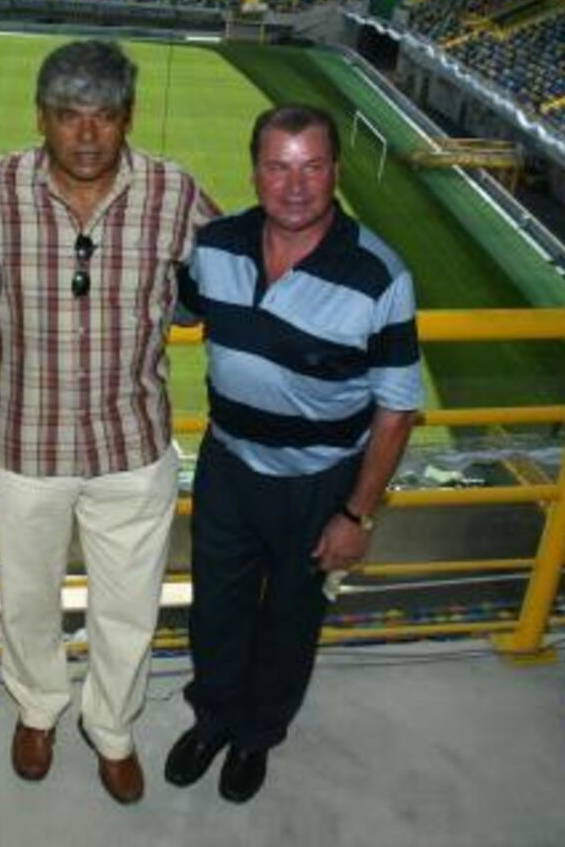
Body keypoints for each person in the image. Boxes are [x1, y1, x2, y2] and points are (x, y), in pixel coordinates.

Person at [0, 39, 218, 805]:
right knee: (28, 597)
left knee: (129, 605)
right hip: (23, 441)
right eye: (68, 115)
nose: (85, 134)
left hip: (131, 444)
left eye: (103, 116)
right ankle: (38, 708)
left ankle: (111, 727)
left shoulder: (175, 194)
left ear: (127, 117)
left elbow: (233, 270)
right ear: (40, 116)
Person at [165, 104, 423, 803]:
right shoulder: (215, 244)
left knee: (289, 621)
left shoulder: (380, 275)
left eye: (312, 166)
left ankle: (256, 738)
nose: (296, 185)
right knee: (215, 608)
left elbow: (397, 411)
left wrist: (356, 516)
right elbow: (177, 308)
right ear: (255, 173)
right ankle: (213, 719)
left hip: (320, 482)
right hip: (227, 463)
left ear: (335, 171)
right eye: (278, 166)